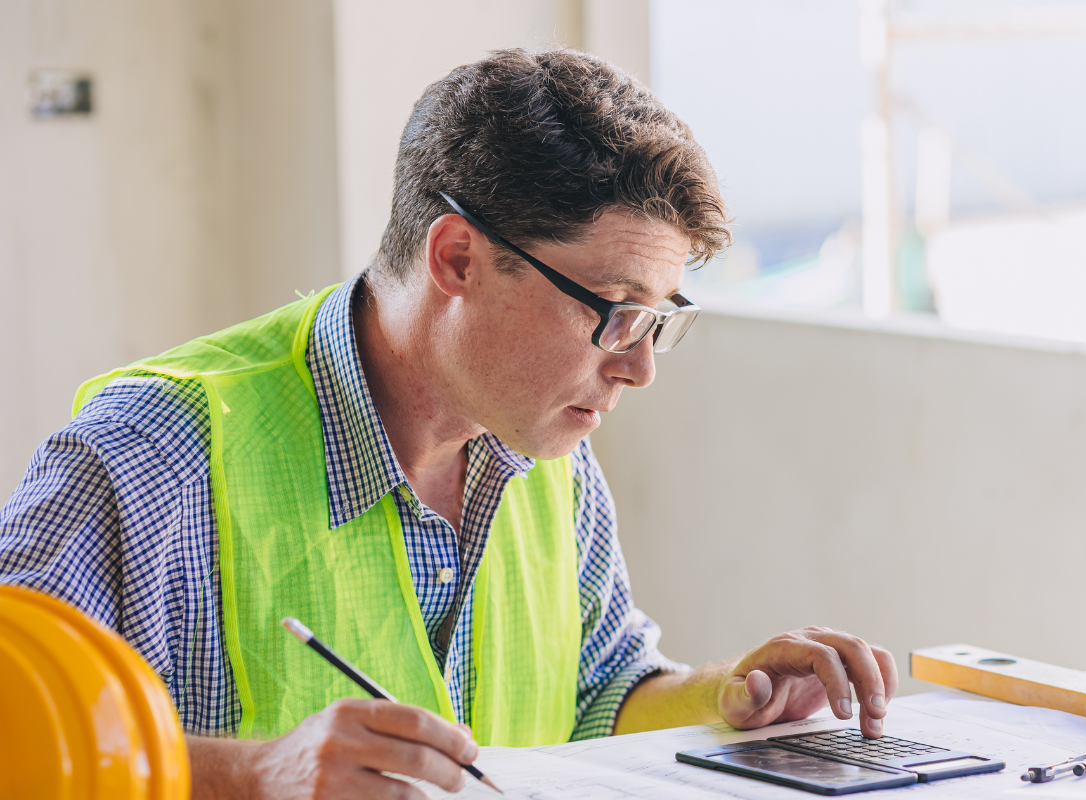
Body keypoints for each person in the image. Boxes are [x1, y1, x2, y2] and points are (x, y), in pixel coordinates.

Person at [0, 48, 897, 799]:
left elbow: (595, 694)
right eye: (614, 310)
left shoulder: (546, 448)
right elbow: (17, 742)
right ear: (459, 258)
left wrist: (728, 695)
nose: (638, 366)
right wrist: (256, 775)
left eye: (657, 319)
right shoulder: (149, 456)